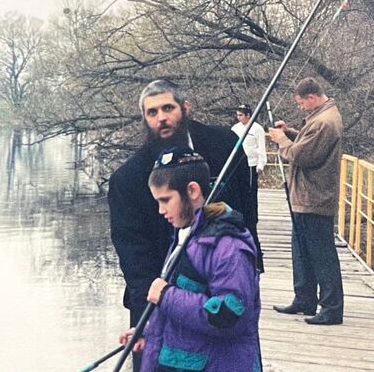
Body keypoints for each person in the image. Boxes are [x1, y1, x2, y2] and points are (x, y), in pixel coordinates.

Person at [108, 79, 262, 370]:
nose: (161, 118)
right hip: (155, 299)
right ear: (144, 118)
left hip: (222, 290)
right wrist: (150, 319)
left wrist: (253, 262)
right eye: (152, 112)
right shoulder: (126, 179)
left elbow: (247, 209)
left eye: (168, 108)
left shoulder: (226, 145)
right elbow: (133, 256)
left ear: (186, 108)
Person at [267, 77, 344, 325]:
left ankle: (331, 308)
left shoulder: (324, 122)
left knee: (322, 255)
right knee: (302, 252)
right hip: (305, 197)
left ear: (312, 97)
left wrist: (281, 140)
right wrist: (290, 132)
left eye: (301, 103)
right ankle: (304, 299)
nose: (301, 107)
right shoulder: (321, 118)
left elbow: (302, 155)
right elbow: (307, 142)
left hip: (315, 198)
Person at [231, 104, 267, 240]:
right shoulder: (235, 128)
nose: (239, 117)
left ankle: (253, 218)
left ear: (248, 115)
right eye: (237, 115)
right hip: (239, 164)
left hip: (252, 164)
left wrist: (261, 164)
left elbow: (261, 147)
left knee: (251, 191)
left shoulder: (257, 129)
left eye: (241, 115)